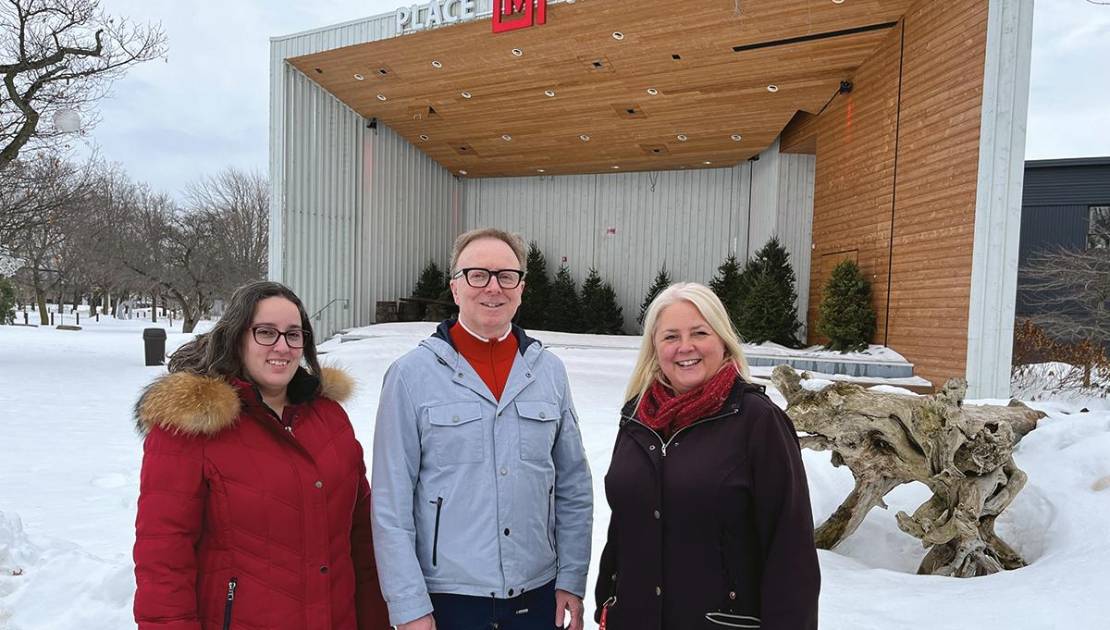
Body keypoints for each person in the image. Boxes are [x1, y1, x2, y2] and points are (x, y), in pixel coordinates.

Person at [132, 281, 389, 629]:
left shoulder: (329, 419)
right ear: (237, 336)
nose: (282, 347)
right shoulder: (191, 428)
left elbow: (361, 540)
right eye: (266, 332)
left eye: (294, 334)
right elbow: (164, 562)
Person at [371, 228, 592, 630]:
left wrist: (572, 579)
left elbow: (574, 487)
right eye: (477, 275)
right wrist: (408, 606)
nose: (493, 287)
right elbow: (390, 505)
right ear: (455, 287)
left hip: (537, 595)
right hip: (448, 601)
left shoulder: (548, 373)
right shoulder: (410, 376)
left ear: (521, 288)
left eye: (506, 276)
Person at [593, 282, 820, 630]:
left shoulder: (757, 421)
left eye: (699, 332)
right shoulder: (637, 418)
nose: (686, 347)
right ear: (655, 347)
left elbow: (791, 551)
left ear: (722, 340)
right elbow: (623, 523)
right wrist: (606, 601)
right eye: (670, 337)